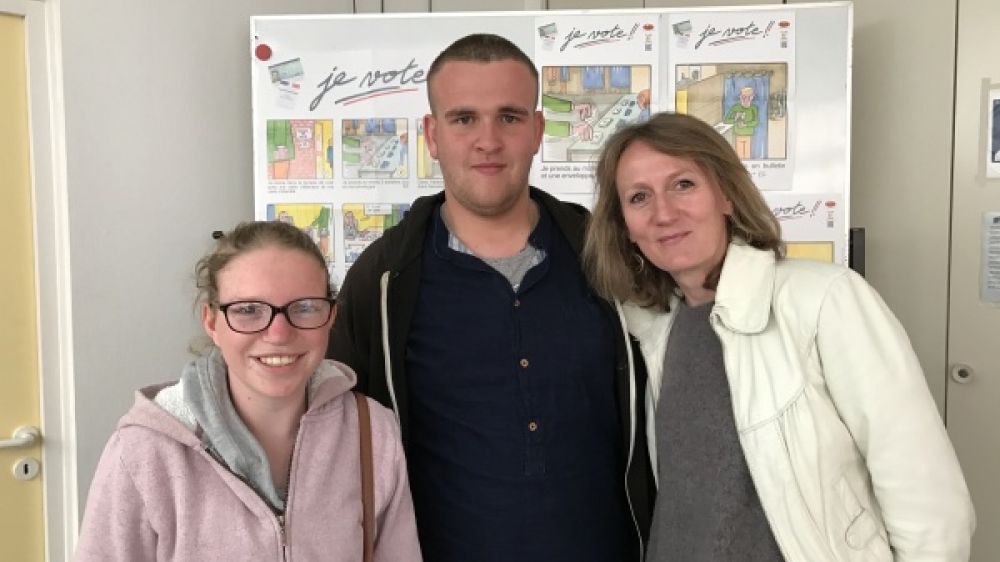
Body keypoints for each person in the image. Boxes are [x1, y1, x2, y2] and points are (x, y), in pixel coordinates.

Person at [582, 112, 975, 561]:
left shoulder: (825, 300)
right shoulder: (651, 331)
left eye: (684, 184)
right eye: (639, 197)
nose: (664, 213)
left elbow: (928, 500)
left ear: (726, 195)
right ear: (626, 228)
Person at [329, 33, 651, 562]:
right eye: (463, 119)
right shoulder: (384, 278)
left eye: (509, 116)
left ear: (537, 130)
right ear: (432, 135)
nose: (488, 140)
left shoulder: (610, 256)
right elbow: (330, 432)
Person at [76, 221, 421, 562]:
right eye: (248, 311)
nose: (279, 333)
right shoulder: (144, 453)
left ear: (331, 316)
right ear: (212, 322)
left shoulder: (373, 432)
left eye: (304, 307)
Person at [723, 86, 759, 159]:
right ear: (740, 97)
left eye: (748, 97)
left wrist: (745, 124)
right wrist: (736, 120)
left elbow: (755, 122)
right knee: (739, 157)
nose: (745, 99)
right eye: (743, 97)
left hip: (748, 135)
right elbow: (726, 120)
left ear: (752, 97)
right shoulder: (736, 107)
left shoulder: (753, 108)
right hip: (738, 134)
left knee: (747, 156)